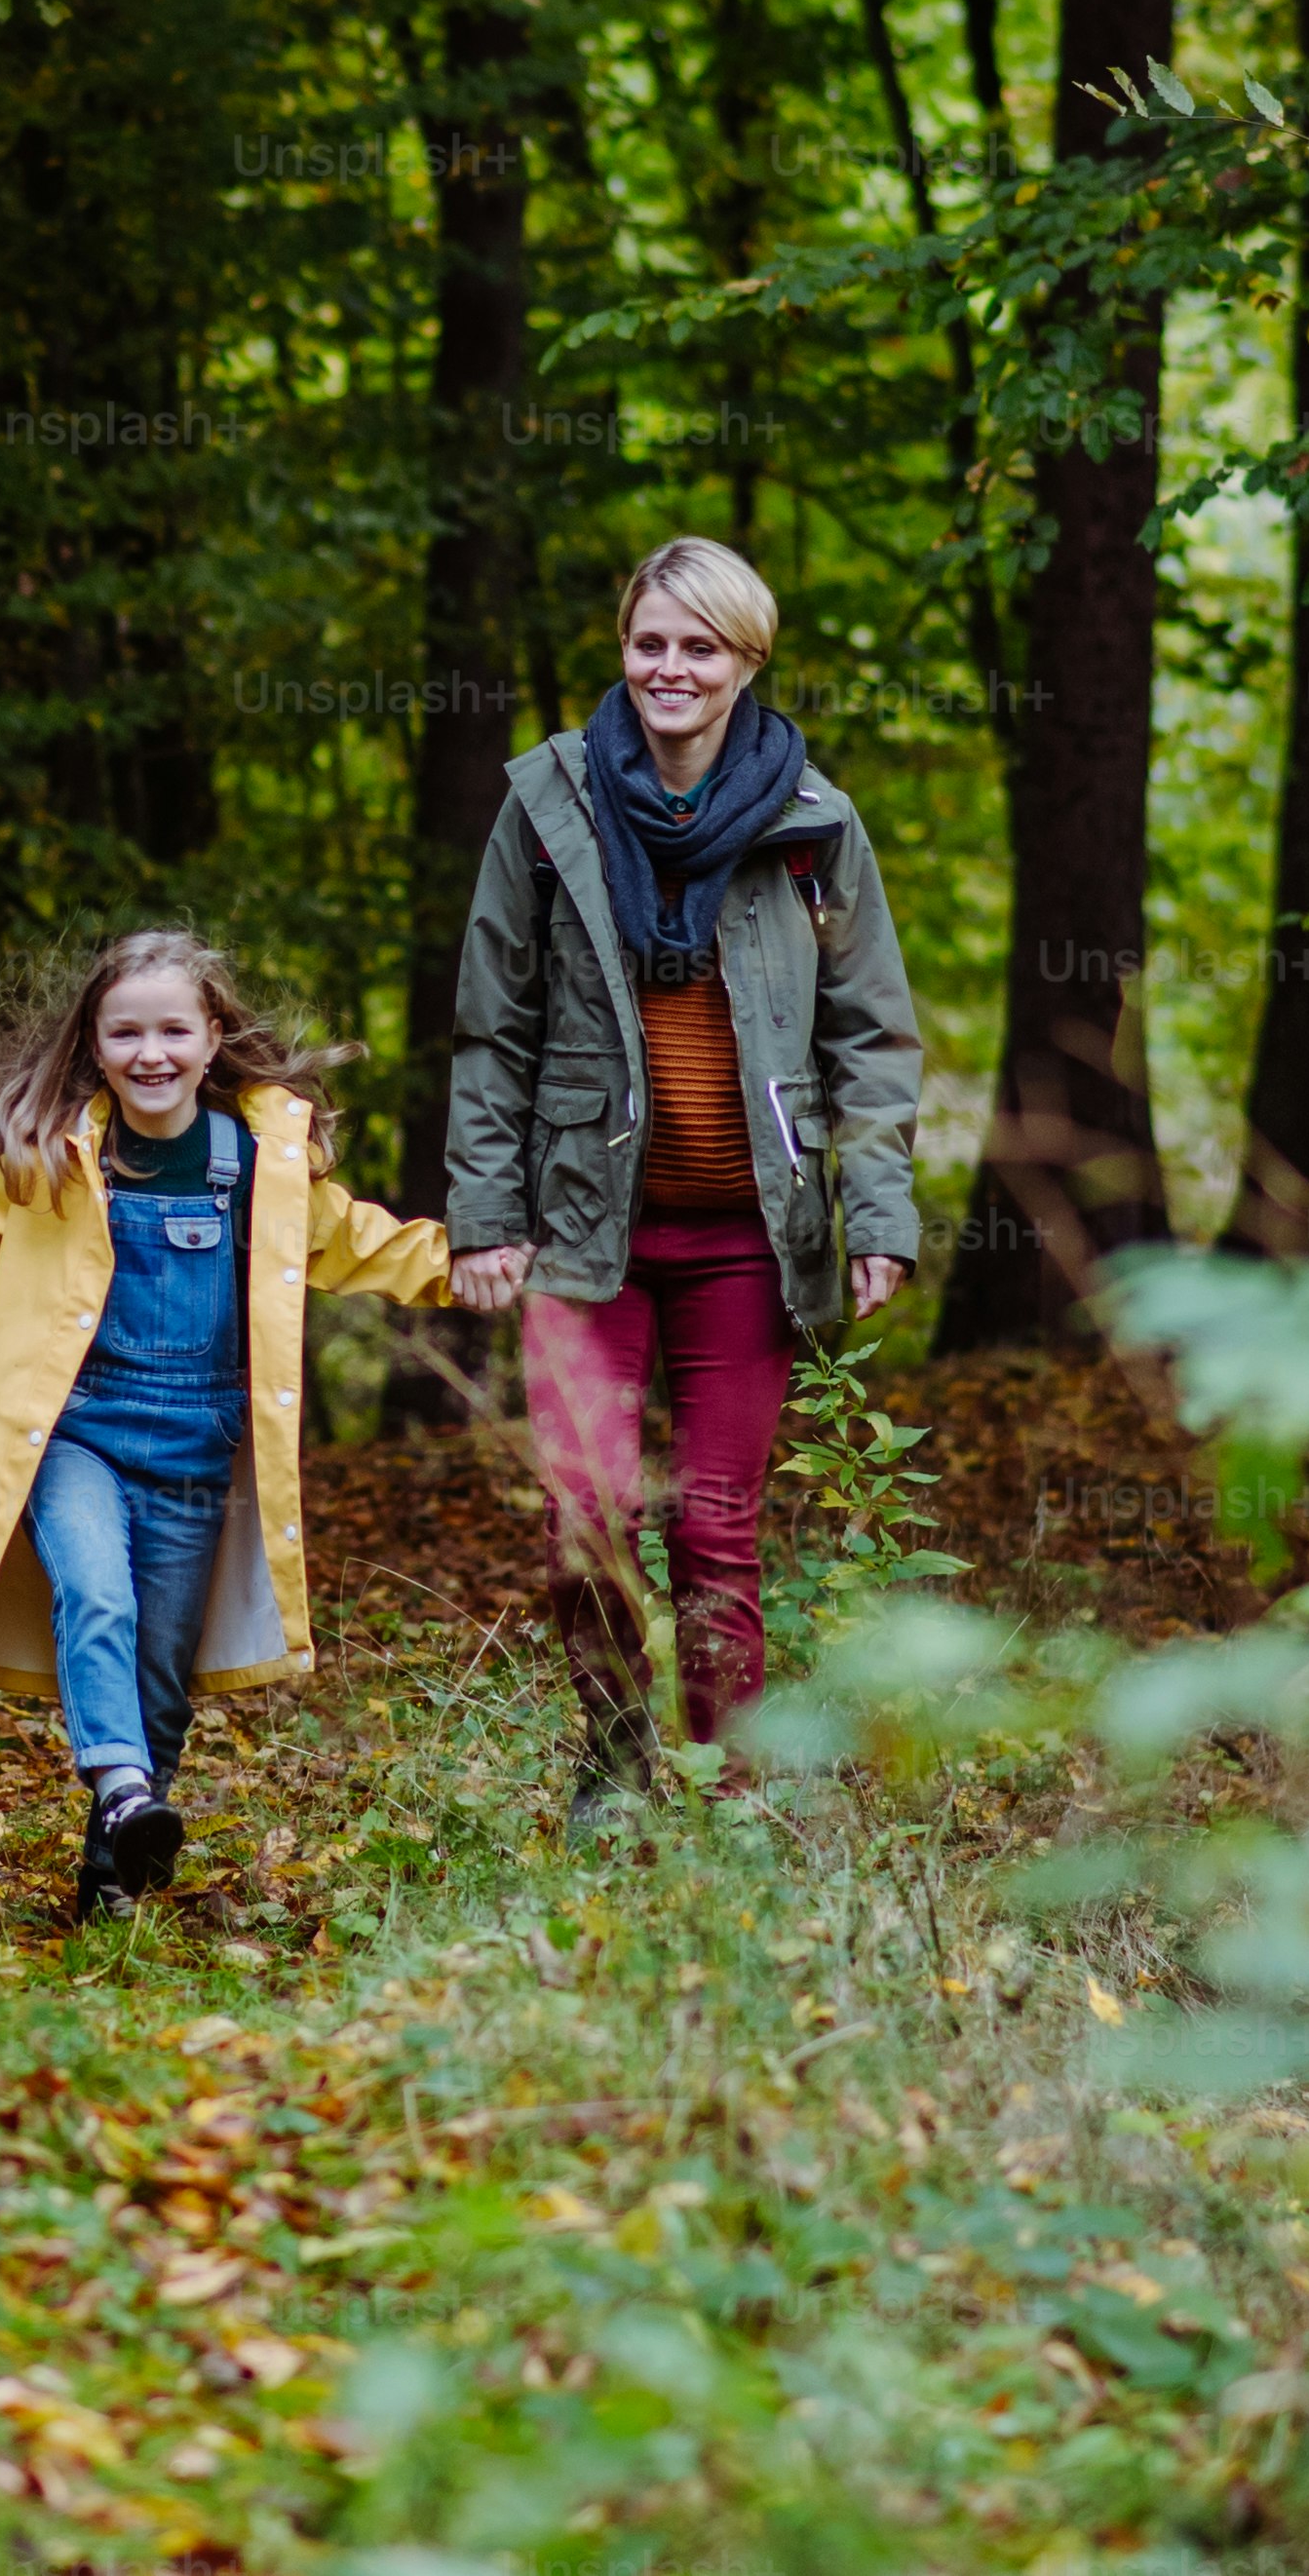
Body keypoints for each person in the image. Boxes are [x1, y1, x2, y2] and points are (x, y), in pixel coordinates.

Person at [443, 535, 927, 1823]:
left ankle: (734, 1791)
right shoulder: (546, 806)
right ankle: (612, 1770)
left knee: (714, 1527)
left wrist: (875, 1212)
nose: (668, 667)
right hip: (579, 1233)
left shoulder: (812, 824)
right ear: (623, 651)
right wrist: (483, 1213)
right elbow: (492, 1024)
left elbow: (870, 1036)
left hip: (746, 1242)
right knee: (585, 1521)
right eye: (648, 642)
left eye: (697, 646)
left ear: (743, 661)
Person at [0, 930, 476, 1920]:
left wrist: (472, 1265)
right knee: (95, 1597)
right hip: (75, 1432)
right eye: (126, 1031)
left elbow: (361, 1242)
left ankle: (109, 1875)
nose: (149, 1052)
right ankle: (121, 1792)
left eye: (171, 1029)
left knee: (160, 1671)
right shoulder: (51, 1161)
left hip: (195, 1451)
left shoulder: (256, 1165)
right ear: (94, 1044)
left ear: (211, 1039)